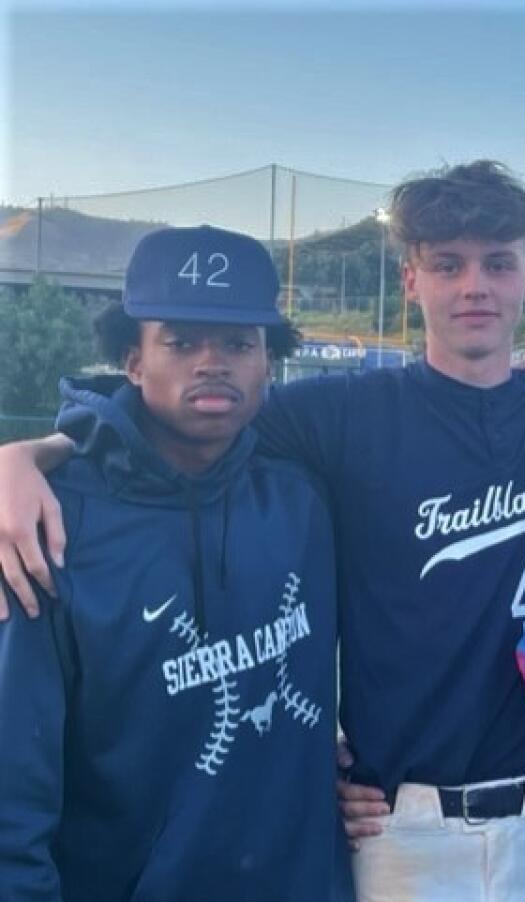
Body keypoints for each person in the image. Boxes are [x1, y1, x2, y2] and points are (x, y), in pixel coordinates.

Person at [0, 162, 525, 902]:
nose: (473, 287)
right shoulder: (337, 415)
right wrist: (31, 453)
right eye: (446, 264)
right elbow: (176, 415)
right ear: (411, 279)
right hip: (398, 830)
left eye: (497, 263)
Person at [0, 225, 346, 901]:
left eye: (239, 343)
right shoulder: (47, 524)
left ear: (267, 364)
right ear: (133, 359)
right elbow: (14, 787)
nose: (212, 362)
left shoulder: (302, 501)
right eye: (182, 341)